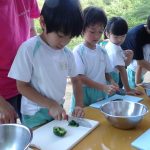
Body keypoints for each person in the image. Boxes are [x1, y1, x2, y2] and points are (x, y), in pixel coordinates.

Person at [8, 0, 84, 128]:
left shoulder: (67, 54)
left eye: (69, 37)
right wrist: (50, 104)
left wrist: (79, 105)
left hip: (57, 109)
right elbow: (22, 86)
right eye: (60, 36)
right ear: (43, 22)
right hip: (34, 113)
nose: (64, 43)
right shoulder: (29, 49)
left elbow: (76, 81)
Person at [70, 6, 119, 111]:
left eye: (100, 32)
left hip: (100, 92)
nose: (96, 36)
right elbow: (80, 77)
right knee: (84, 119)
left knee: (98, 117)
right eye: (92, 32)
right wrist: (103, 87)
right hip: (83, 93)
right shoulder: (78, 51)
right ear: (82, 30)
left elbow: (105, 73)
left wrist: (111, 81)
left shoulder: (102, 50)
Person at [0, 0, 40, 123]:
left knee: (33, 133)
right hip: (3, 91)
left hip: (25, 83)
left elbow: (32, 30)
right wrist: (1, 103)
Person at [105, 17, 142, 95]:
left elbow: (125, 64)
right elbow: (122, 70)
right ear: (107, 34)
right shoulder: (114, 49)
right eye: (116, 37)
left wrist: (130, 56)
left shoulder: (112, 44)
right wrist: (128, 89)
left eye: (123, 36)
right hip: (111, 79)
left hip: (111, 78)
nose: (120, 40)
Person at [121, 16, 150, 88]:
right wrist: (137, 83)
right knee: (131, 90)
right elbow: (140, 63)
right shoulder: (137, 36)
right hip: (128, 62)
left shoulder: (146, 44)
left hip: (139, 69)